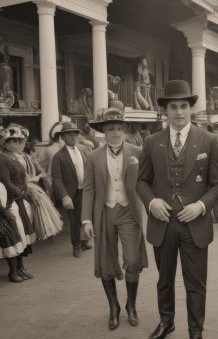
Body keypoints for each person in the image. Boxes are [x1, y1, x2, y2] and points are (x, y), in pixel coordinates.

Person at [137, 80, 218, 339]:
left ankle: (195, 330)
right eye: (173, 106)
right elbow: (142, 181)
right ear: (166, 110)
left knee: (195, 283)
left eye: (183, 106)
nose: (178, 111)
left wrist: (200, 206)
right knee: (164, 279)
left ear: (191, 109)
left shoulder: (209, 141)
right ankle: (167, 322)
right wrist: (152, 202)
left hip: (194, 225)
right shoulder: (152, 142)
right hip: (162, 223)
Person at [82, 106, 149, 331]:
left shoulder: (137, 152)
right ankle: (114, 307)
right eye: (110, 128)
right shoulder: (92, 156)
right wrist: (86, 220)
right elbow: (89, 189)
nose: (115, 133)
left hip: (129, 211)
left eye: (119, 128)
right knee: (105, 261)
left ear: (124, 129)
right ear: (103, 131)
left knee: (132, 260)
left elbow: (146, 182)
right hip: (104, 212)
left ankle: (131, 304)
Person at [0, 125, 36, 282]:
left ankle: (20, 268)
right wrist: (20, 192)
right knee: (13, 236)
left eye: (18, 140)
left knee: (21, 236)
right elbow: (6, 182)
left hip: (18, 201)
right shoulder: (2, 159)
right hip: (8, 203)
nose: (16, 143)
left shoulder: (15, 157)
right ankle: (13, 271)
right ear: (4, 143)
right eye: (12, 140)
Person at [51, 122, 92, 258]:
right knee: (74, 221)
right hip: (71, 192)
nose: (73, 137)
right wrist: (64, 196)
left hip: (85, 190)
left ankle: (85, 241)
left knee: (86, 217)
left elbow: (91, 170)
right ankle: (76, 245)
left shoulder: (84, 150)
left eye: (75, 134)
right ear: (62, 137)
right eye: (70, 134)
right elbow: (56, 178)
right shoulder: (58, 156)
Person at [15, 125, 62, 241]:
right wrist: (35, 178)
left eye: (23, 142)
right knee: (38, 198)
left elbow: (38, 167)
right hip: (20, 185)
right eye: (19, 142)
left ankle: (47, 229)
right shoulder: (13, 157)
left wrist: (42, 175)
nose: (21, 144)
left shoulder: (27, 156)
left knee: (44, 197)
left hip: (32, 183)